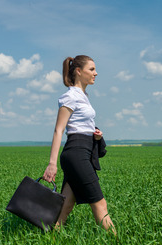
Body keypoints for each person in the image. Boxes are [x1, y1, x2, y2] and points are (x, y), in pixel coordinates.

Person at [42, 55, 116, 234]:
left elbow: (80, 126)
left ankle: (50, 242)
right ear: (78, 71)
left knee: (66, 206)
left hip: (83, 150)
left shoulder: (83, 96)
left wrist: (96, 136)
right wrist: (52, 164)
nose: (96, 73)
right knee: (100, 204)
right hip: (76, 153)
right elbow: (59, 130)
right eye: (91, 69)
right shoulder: (70, 97)